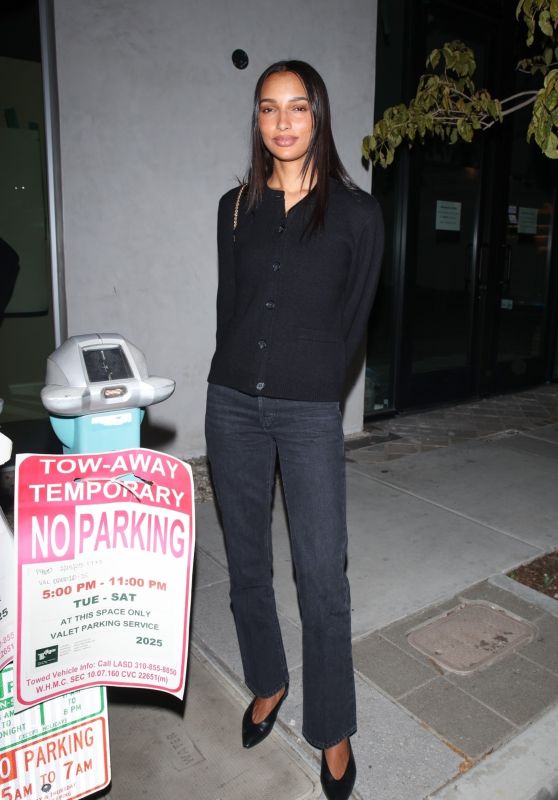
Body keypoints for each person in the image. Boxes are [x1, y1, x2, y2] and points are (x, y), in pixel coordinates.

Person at [205, 60, 383, 800]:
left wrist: (314, 389)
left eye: (297, 107)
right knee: (245, 561)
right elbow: (230, 304)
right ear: (257, 120)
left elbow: (354, 323)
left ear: (319, 116)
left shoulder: (357, 213)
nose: (282, 122)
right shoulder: (236, 207)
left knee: (322, 575)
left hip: (310, 411)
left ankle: (332, 727)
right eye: (268, 108)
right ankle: (269, 681)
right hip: (231, 405)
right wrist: (237, 377)